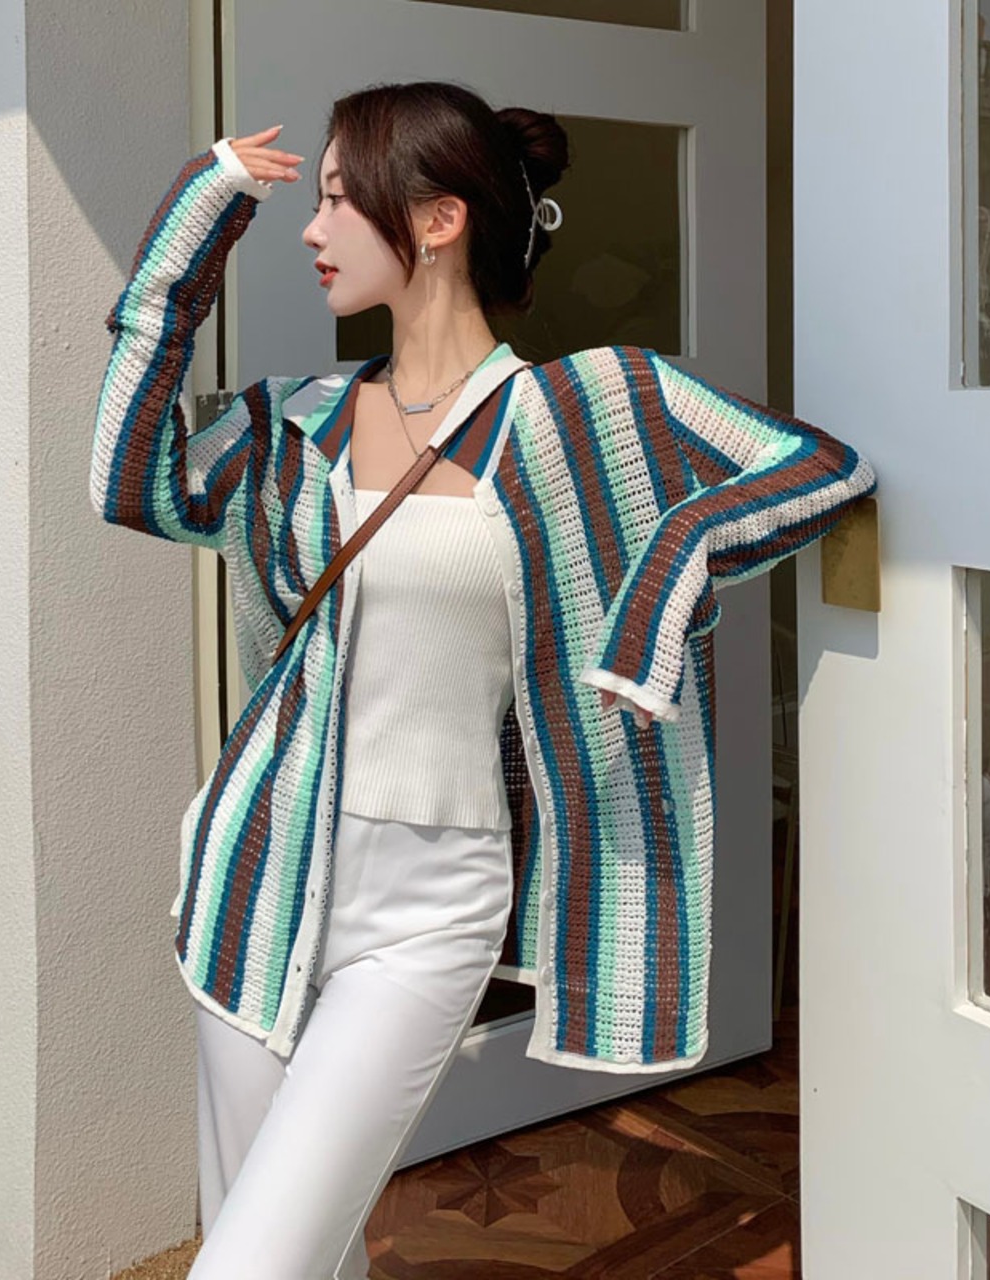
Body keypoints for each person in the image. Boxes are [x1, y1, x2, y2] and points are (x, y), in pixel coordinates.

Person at [90, 80, 876, 1280]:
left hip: (431, 903)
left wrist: (665, 575)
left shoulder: (588, 409)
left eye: (339, 200)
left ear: (438, 218)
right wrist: (200, 219)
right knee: (295, 1244)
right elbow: (130, 483)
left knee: (251, 1262)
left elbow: (820, 467)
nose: (311, 228)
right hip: (256, 866)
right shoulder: (296, 421)